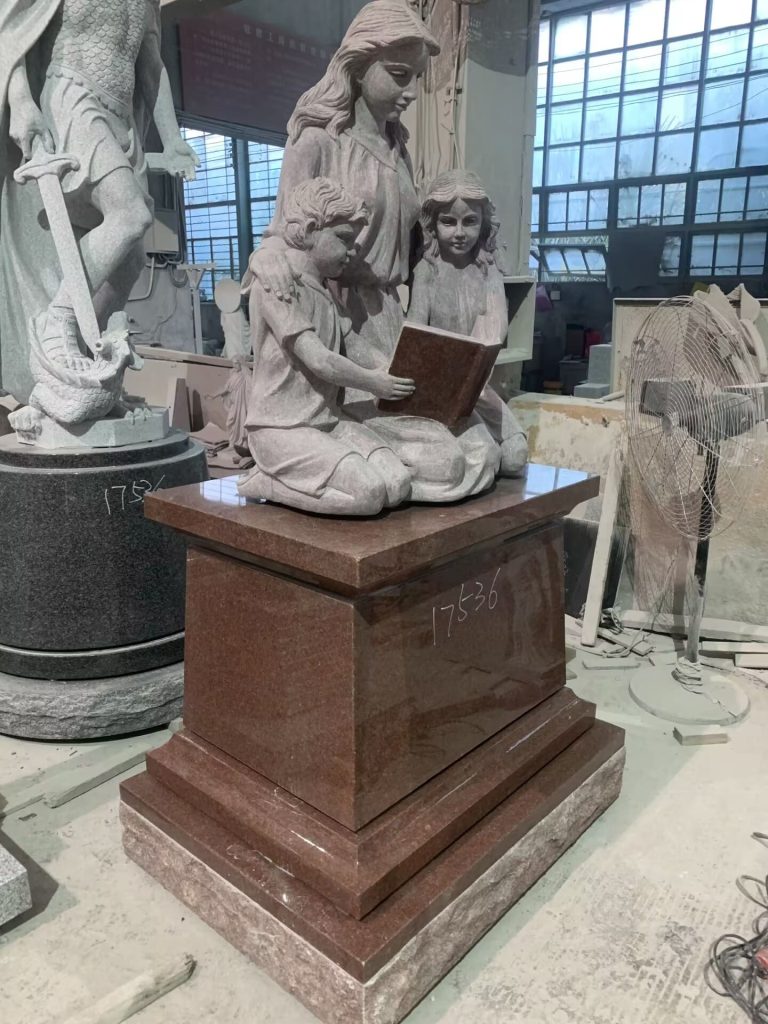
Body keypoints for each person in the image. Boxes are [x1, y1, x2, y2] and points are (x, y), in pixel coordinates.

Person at [245, 0, 499, 502]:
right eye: (399, 75)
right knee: (444, 461)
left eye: (417, 80)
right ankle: (292, 473)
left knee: (486, 452)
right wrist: (264, 257)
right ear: (359, 66)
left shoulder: (398, 147)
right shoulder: (318, 141)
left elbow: (419, 241)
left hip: (390, 320)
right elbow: (283, 235)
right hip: (339, 318)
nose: (410, 93)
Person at [0, 0, 199, 401]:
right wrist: (21, 102)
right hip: (71, 95)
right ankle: (57, 324)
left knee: (130, 258)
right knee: (130, 216)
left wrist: (173, 139)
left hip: (122, 118)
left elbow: (151, 66)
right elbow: (11, 29)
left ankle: (88, 357)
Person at [238, 178, 414, 516]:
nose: (352, 252)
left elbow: (354, 344)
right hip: (282, 428)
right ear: (308, 230)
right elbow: (318, 359)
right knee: (368, 494)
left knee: (397, 483)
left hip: (328, 422)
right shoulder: (278, 284)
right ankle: (272, 484)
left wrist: (400, 368)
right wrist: (375, 382)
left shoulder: (324, 290)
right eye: (344, 239)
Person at [409, 169, 528, 476]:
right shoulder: (427, 271)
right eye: (449, 221)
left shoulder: (489, 272)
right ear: (434, 224)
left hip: (477, 387)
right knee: (470, 458)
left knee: (515, 457)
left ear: (483, 223)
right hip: (437, 389)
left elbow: (494, 329)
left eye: (469, 221)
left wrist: (475, 365)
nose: (459, 232)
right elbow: (416, 334)